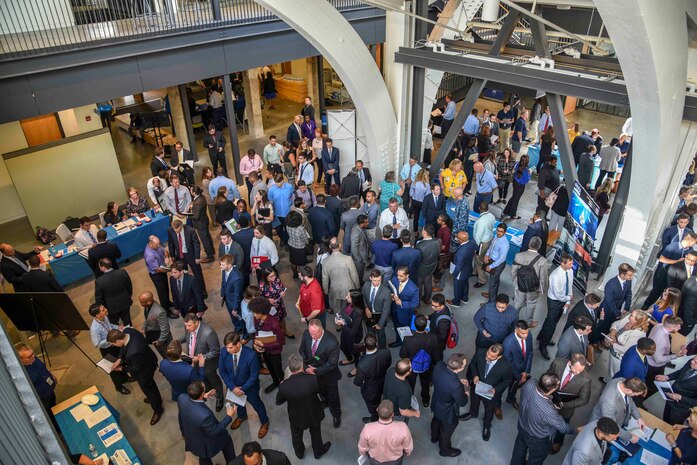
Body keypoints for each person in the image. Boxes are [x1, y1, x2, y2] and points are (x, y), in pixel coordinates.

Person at [509, 373, 575, 465]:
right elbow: (563, 428)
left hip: (522, 426)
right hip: (537, 439)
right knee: (535, 460)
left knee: (519, 451)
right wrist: (575, 430)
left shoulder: (530, 383)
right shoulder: (548, 411)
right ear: (552, 389)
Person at [276, 353, 331, 460]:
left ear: (290, 368)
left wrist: (283, 385)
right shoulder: (313, 380)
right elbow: (322, 390)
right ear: (302, 366)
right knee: (316, 432)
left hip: (296, 415)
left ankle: (299, 453)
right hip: (313, 412)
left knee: (296, 435)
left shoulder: (284, 386)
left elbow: (279, 400)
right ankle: (318, 452)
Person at [218, 331, 269, 438]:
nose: (228, 350)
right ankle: (242, 416)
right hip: (233, 387)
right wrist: (233, 387)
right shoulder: (224, 352)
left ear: (238, 344)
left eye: (230, 347)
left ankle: (264, 422)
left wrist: (243, 389)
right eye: (227, 347)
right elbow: (222, 371)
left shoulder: (251, 355)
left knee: (257, 405)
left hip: (249, 388)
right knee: (238, 404)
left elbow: (254, 376)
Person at [107, 328, 163, 424]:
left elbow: (136, 368)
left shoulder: (134, 351)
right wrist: (119, 358)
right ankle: (156, 399)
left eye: (113, 344)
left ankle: (158, 409)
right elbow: (123, 347)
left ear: (118, 340)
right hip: (146, 357)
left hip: (144, 370)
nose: (113, 346)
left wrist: (121, 369)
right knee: (151, 387)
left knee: (148, 388)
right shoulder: (128, 331)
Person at [177, 380, 237, 465]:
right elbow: (214, 431)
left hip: (193, 439)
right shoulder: (205, 416)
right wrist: (229, 416)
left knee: (203, 457)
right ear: (201, 393)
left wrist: (203, 398)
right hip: (207, 442)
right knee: (226, 439)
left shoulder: (181, 398)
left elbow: (190, 406)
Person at [460, 343, 512, 440]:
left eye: (492, 356)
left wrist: (495, 389)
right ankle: (473, 413)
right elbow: (473, 364)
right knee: (474, 401)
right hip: (477, 385)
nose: (487, 356)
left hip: (490, 392)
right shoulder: (480, 352)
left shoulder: (506, 366)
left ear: (499, 356)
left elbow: (507, 380)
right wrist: (475, 375)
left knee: (489, 410)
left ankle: (487, 425)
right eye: (488, 353)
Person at [298, 319, 342, 428]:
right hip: (311, 371)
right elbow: (302, 350)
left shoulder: (332, 342)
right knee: (320, 390)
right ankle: (325, 401)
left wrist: (315, 371)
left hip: (328, 374)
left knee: (333, 396)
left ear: (321, 329)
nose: (312, 336)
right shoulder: (306, 334)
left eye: (315, 334)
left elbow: (331, 364)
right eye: (310, 333)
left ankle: (336, 414)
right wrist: (305, 366)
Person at [545, 354, 593, 453]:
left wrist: (564, 405)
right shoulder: (557, 363)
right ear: (570, 363)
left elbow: (584, 399)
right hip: (549, 401)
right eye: (576, 370)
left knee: (562, 426)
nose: (578, 373)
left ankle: (558, 442)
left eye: (581, 371)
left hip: (566, 409)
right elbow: (547, 377)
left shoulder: (586, 379)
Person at [180, 314, 224, 411]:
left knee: (214, 380)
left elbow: (215, 351)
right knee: (203, 379)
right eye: (186, 325)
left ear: (196, 322)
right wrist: (178, 341)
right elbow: (186, 336)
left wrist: (201, 358)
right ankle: (207, 389)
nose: (187, 328)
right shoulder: (188, 326)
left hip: (208, 364)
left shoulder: (209, 333)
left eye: (189, 326)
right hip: (194, 361)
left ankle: (219, 397)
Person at [643, 232, 697, 309]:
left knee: (669, 295)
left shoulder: (690, 250)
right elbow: (661, 259)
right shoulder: (672, 246)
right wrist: (677, 261)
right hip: (665, 273)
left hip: (677, 275)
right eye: (695, 242)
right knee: (657, 291)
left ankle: (660, 310)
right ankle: (645, 306)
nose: (695, 244)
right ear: (690, 241)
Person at [430, 353, 469, 457]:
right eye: (464, 365)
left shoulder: (439, 365)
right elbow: (462, 402)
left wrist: (458, 382)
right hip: (447, 410)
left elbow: (445, 381)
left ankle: (434, 438)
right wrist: (465, 393)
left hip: (436, 399)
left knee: (436, 420)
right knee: (446, 431)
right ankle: (444, 450)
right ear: (460, 369)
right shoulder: (456, 386)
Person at [538, 254, 574, 360]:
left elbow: (570, 285)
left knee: (552, 320)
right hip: (554, 301)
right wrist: (568, 298)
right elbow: (557, 294)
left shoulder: (570, 271)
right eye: (569, 263)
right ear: (562, 263)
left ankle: (541, 335)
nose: (572, 265)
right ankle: (542, 345)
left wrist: (568, 299)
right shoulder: (555, 275)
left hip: (563, 299)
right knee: (552, 324)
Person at [589, 377, 647, 443]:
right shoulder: (609, 402)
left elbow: (629, 401)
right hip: (601, 427)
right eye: (635, 394)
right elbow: (612, 425)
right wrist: (630, 437)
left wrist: (638, 418)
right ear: (628, 390)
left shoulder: (622, 381)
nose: (635, 396)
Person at [400, 314, 439, 408]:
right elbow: (436, 355)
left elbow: (402, 355)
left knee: (410, 384)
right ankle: (425, 401)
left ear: (414, 325)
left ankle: (409, 401)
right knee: (425, 383)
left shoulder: (407, 339)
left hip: (411, 367)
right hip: (426, 366)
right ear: (426, 325)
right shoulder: (432, 338)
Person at [358, 399, 414, 464]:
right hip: (395, 460)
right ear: (392, 414)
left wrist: (363, 453)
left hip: (375, 460)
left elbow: (362, 447)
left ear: (377, 410)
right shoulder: (403, 427)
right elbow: (408, 447)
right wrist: (408, 452)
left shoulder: (367, 428)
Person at [248, 297, 285, 394]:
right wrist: (255, 343)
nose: (254, 314)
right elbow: (257, 332)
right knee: (270, 367)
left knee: (278, 370)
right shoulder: (257, 319)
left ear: (262, 312)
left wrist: (264, 345)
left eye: (256, 312)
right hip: (264, 350)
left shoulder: (274, 324)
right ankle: (275, 382)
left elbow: (281, 341)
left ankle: (283, 386)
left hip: (274, 352)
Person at [354, 333, 393, 422]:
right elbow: (388, 363)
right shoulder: (385, 351)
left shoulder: (362, 364)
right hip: (383, 381)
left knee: (373, 406)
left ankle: (376, 418)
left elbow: (357, 382)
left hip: (370, 389)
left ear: (364, 345)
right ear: (376, 343)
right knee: (380, 398)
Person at [511, 237, 548, 328]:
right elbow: (543, 278)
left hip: (520, 284)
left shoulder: (518, 256)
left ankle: (512, 320)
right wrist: (543, 289)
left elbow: (513, 271)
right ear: (539, 247)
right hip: (533, 288)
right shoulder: (543, 261)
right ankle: (529, 322)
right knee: (531, 304)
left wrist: (515, 281)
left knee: (518, 302)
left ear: (529, 244)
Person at [646, 316, 687, 398]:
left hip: (652, 361)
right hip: (653, 366)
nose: (680, 328)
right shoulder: (661, 339)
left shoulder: (659, 326)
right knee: (652, 386)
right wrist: (676, 355)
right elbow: (658, 359)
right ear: (670, 328)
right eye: (678, 326)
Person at [17, 344, 58, 422]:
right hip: (42, 398)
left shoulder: (34, 359)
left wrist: (52, 376)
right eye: (29, 356)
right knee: (49, 415)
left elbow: (43, 368)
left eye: (33, 353)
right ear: (20, 359)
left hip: (50, 391)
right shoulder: (22, 373)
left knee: (54, 407)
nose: (33, 357)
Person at [168, 219, 207, 298]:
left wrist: (197, 257)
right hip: (180, 256)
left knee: (197, 274)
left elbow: (196, 244)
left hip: (191, 255)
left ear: (181, 226)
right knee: (183, 273)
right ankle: (187, 290)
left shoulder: (190, 230)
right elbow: (171, 243)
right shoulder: (170, 230)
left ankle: (203, 291)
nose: (176, 232)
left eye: (177, 230)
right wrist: (172, 255)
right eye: (174, 230)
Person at [607, 315, 651, 381]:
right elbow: (615, 323)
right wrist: (613, 333)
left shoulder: (638, 333)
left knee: (614, 376)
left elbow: (626, 349)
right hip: (613, 353)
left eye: (632, 316)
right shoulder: (628, 320)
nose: (629, 316)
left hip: (619, 358)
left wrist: (613, 344)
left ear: (637, 321)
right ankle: (606, 380)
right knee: (610, 372)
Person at [322, 237, 360, 313]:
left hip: (335, 289)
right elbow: (354, 275)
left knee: (337, 308)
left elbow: (325, 279)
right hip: (348, 288)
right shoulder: (348, 259)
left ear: (330, 247)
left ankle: (339, 319)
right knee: (347, 307)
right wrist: (357, 287)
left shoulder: (325, 261)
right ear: (339, 245)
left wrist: (326, 291)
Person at [597, 263, 635, 337]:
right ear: (622, 274)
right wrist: (617, 313)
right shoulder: (611, 284)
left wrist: (626, 307)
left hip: (617, 308)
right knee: (601, 327)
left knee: (609, 327)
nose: (632, 277)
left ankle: (602, 339)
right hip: (607, 311)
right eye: (630, 275)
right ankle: (594, 341)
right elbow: (609, 302)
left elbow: (628, 293)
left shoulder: (628, 280)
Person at [503, 320, 534, 409]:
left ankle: (511, 398)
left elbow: (530, 353)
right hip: (512, 370)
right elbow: (509, 364)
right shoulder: (508, 343)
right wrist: (519, 377)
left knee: (515, 387)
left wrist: (526, 372)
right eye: (523, 333)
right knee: (510, 384)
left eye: (527, 332)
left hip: (523, 368)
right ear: (516, 331)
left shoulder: (529, 335)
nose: (526, 335)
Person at [658, 356, 697, 425]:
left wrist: (681, 398)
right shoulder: (692, 361)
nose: (691, 361)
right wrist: (667, 377)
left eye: (695, 362)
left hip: (681, 408)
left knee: (673, 425)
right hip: (670, 397)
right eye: (693, 359)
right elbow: (681, 372)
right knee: (665, 419)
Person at [336, 289, 366, 376]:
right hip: (346, 331)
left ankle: (357, 366)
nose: (346, 297)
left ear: (354, 300)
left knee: (354, 351)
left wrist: (342, 324)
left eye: (348, 296)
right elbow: (344, 312)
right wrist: (339, 318)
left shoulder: (358, 313)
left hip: (354, 336)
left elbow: (353, 333)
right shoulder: (349, 304)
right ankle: (350, 359)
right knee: (343, 347)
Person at [389, 265, 420, 348]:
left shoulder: (414, 288)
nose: (398, 277)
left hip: (405, 315)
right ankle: (398, 341)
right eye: (397, 275)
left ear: (407, 275)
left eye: (401, 276)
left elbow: (415, 303)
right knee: (396, 326)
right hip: (395, 310)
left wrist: (402, 303)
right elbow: (390, 288)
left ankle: (406, 346)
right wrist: (392, 295)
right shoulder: (394, 279)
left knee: (405, 330)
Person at [94, 258, 132, 325]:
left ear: (103, 267)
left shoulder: (99, 281)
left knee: (114, 324)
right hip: (125, 302)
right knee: (127, 321)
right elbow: (129, 286)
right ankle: (131, 333)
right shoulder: (122, 272)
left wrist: (102, 309)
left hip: (110, 308)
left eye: (99, 266)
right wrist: (128, 296)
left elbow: (99, 298)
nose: (99, 267)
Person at [138, 291, 171, 358]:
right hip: (152, 333)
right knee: (161, 352)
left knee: (167, 354)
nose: (141, 304)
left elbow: (165, 329)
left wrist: (160, 341)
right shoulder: (147, 305)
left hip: (161, 336)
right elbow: (147, 318)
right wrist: (143, 328)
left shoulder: (160, 312)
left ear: (149, 302)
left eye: (142, 302)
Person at [447, 230, 476, 306]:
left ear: (461, 240)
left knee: (457, 287)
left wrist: (454, 274)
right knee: (465, 284)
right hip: (468, 269)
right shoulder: (472, 243)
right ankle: (465, 298)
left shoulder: (461, 252)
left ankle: (456, 302)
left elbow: (458, 266)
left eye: (458, 238)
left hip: (460, 272)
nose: (456, 239)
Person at [144, 235, 173, 312]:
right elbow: (158, 269)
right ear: (151, 244)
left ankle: (168, 302)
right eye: (157, 245)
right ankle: (166, 310)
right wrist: (171, 270)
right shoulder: (149, 255)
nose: (159, 246)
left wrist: (166, 257)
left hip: (163, 271)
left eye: (158, 244)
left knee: (166, 289)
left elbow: (165, 251)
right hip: (157, 275)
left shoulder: (157, 246)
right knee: (162, 293)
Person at [482, 224, 510, 301]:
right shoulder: (496, 236)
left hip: (498, 264)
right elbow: (491, 247)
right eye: (498, 230)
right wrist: (487, 255)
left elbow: (501, 259)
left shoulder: (505, 244)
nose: (498, 233)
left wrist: (491, 266)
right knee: (495, 281)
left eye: (501, 232)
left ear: (505, 233)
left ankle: (491, 302)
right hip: (492, 261)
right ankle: (492, 294)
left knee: (492, 283)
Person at [473, 201, 495, 289]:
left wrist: (475, 248)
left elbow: (478, 236)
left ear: (479, 208)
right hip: (489, 239)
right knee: (477, 258)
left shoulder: (481, 221)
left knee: (479, 260)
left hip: (482, 243)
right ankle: (475, 272)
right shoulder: (491, 216)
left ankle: (482, 279)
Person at [268, 173, 295, 247]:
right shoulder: (271, 190)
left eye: (278, 182)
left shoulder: (289, 187)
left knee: (288, 230)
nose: (276, 184)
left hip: (287, 213)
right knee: (279, 230)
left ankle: (287, 242)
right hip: (277, 214)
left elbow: (292, 197)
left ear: (282, 181)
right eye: (275, 182)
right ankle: (282, 239)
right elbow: (269, 202)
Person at [415, 224, 440, 303]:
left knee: (418, 285)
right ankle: (427, 299)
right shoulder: (437, 242)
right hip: (432, 267)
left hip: (421, 269)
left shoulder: (420, 245)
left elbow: (417, 259)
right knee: (428, 283)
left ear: (425, 232)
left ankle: (417, 302)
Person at [502, 154, 531, 220]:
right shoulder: (526, 170)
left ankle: (506, 211)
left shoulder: (517, 163)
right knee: (516, 199)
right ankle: (513, 214)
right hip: (520, 186)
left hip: (515, 183)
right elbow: (526, 180)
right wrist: (530, 173)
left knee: (513, 197)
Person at [351, 214, 371, 284]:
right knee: (359, 272)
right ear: (362, 224)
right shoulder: (356, 233)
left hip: (363, 255)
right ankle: (359, 285)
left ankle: (360, 281)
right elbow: (354, 248)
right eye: (366, 222)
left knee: (361, 272)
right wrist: (359, 259)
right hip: (359, 259)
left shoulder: (361, 228)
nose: (368, 223)